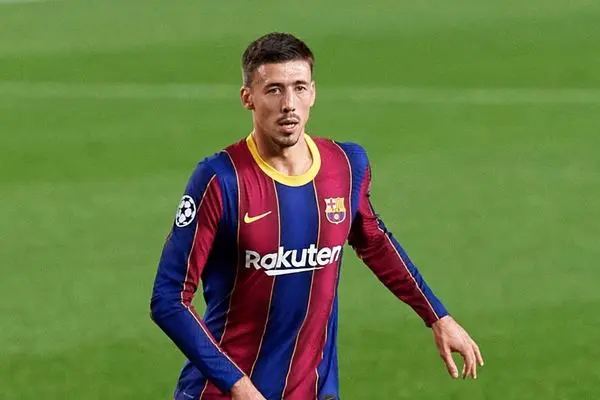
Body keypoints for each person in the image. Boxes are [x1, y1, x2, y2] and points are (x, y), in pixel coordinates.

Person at [150, 32, 484, 400]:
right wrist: (239, 386)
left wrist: (437, 316)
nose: (288, 104)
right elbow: (169, 299)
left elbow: (373, 241)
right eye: (274, 90)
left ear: (313, 92)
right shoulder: (221, 180)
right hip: (222, 394)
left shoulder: (346, 165)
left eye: (299, 88)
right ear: (248, 98)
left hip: (313, 390)